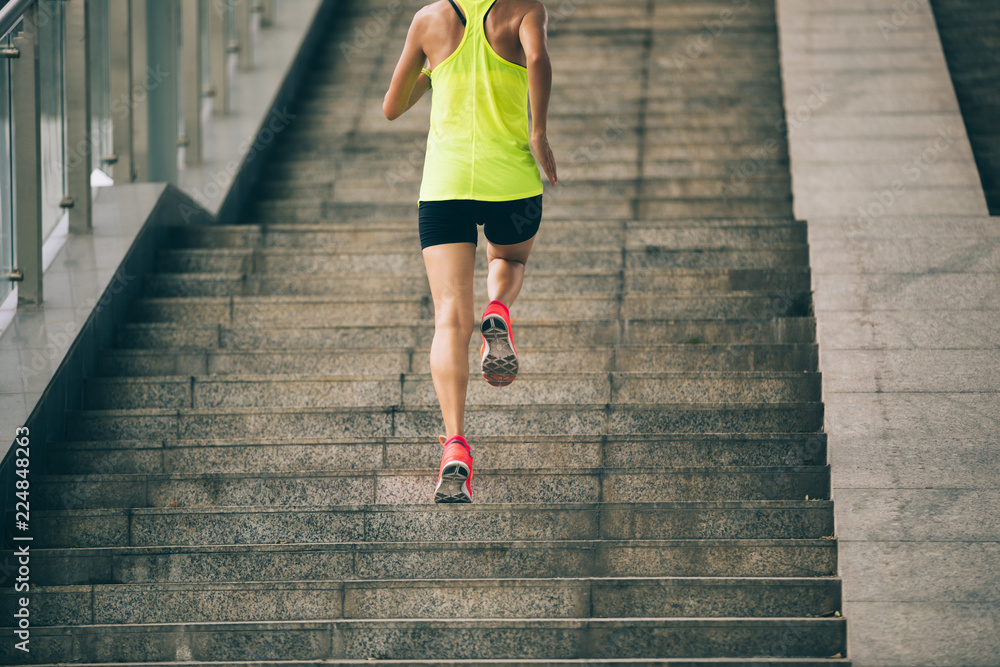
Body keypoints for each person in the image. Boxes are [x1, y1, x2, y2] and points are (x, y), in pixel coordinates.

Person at [384, 0, 558, 503]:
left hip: (445, 186)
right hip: (512, 180)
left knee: (448, 320)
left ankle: (456, 444)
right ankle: (499, 310)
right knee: (510, 260)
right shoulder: (524, 9)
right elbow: (540, 60)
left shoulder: (428, 20)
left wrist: (436, 71)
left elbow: (391, 107)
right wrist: (538, 131)